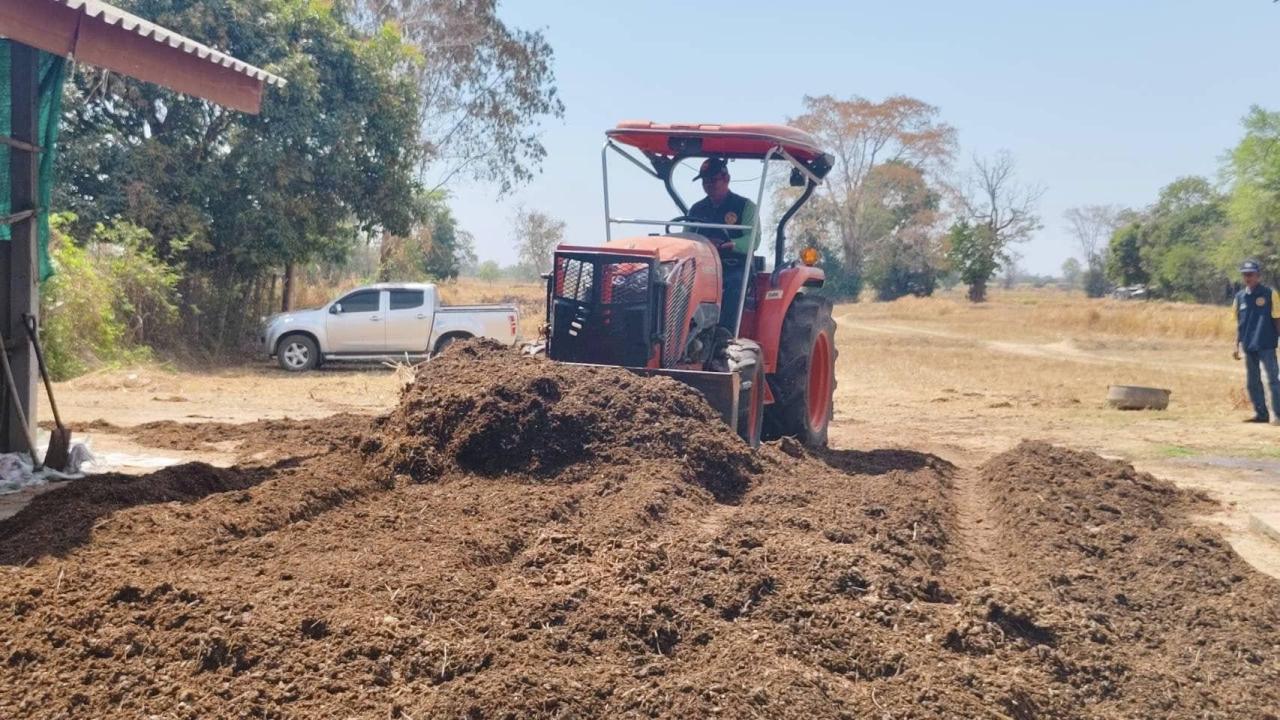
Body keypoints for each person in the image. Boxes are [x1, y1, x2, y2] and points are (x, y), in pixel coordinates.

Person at [686, 158, 759, 330]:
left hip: (733, 265)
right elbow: (686, 237)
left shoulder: (745, 206)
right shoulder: (696, 209)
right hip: (702, 266)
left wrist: (731, 243)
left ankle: (725, 334)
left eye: (713, 180)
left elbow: (753, 240)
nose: (708, 184)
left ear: (726, 178)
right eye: (704, 181)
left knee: (733, 285)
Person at [1232, 260, 1280, 424]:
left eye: (1251, 274)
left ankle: (1278, 415)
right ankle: (1261, 414)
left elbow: (1277, 318)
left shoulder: (1269, 293)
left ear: (1258, 276)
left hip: (1266, 342)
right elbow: (1239, 323)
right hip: (1248, 344)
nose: (1248, 277)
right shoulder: (1239, 297)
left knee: (1273, 380)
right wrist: (1236, 344)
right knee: (1253, 382)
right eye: (1245, 274)